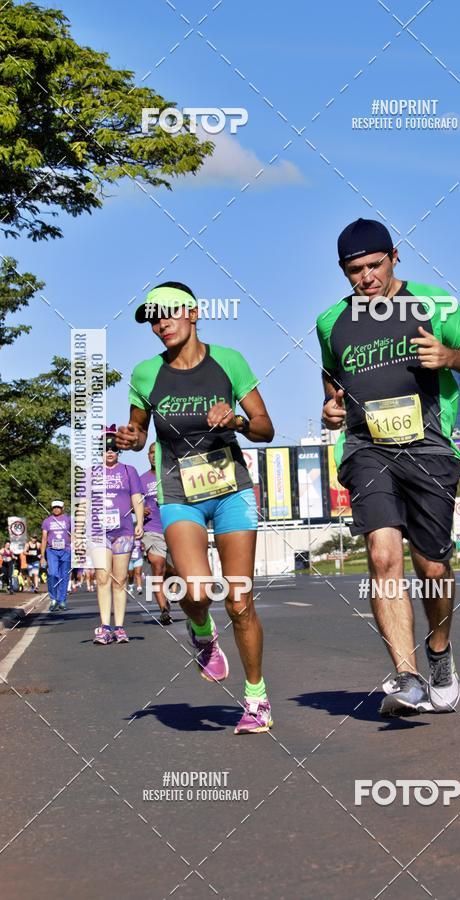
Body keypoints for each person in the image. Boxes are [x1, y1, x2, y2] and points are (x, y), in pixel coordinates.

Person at [318, 218, 460, 717]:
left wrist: (449, 355)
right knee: (382, 553)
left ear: (395, 256)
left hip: (429, 447)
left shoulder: (435, 303)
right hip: (368, 449)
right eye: (354, 271)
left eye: (373, 266)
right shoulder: (331, 322)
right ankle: (406, 676)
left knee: (432, 565)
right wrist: (330, 410)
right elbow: (333, 385)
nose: (365, 278)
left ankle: (439, 654)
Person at [117, 281, 275, 735]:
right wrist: (129, 439)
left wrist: (238, 420)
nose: (160, 323)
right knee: (198, 592)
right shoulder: (146, 373)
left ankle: (256, 698)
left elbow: (265, 428)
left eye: (168, 313)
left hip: (231, 491)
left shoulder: (230, 361)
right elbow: (137, 431)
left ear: (193, 312)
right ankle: (202, 632)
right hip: (178, 492)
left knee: (240, 598)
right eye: (153, 318)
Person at [89, 426, 144, 644]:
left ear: (119, 451)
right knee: (102, 578)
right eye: (105, 448)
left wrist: (139, 522)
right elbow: (84, 502)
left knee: (120, 580)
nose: (110, 451)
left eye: (113, 448)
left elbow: (137, 497)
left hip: (123, 531)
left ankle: (119, 627)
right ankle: (104, 626)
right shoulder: (91, 472)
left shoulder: (129, 471)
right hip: (98, 532)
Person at [140, 442, 174, 625]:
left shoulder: (172, 475)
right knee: (157, 565)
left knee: (173, 569)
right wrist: (139, 508)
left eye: (157, 453)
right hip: (152, 529)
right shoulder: (141, 479)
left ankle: (172, 577)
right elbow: (133, 501)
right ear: (148, 456)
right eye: (151, 453)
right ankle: (163, 609)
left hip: (174, 528)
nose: (154, 456)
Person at [41, 501, 72, 611]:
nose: (56, 509)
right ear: (51, 508)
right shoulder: (47, 521)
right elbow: (44, 538)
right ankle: (53, 599)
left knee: (64, 576)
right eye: (54, 507)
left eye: (58, 507)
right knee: (52, 574)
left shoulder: (68, 519)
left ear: (62, 508)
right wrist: (42, 556)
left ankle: (62, 600)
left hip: (66, 550)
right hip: (51, 551)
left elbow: (74, 534)